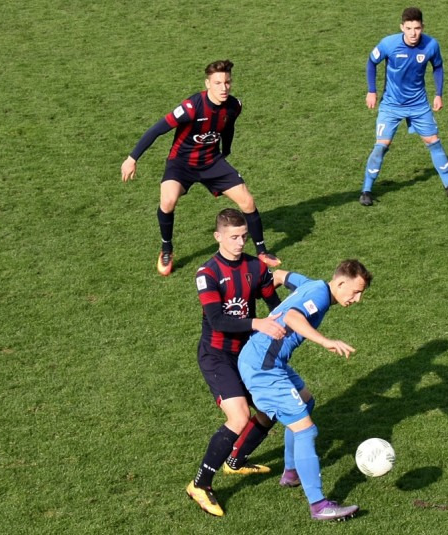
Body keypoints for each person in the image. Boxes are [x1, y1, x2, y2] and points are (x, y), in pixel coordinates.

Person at [238, 260, 373, 521]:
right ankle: (319, 505)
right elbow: (292, 316)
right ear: (340, 283)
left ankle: (291, 473)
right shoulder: (319, 296)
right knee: (306, 430)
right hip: (263, 367)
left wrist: (263, 288)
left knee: (305, 402)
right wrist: (325, 341)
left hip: (268, 360)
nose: (357, 299)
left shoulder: (313, 285)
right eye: (356, 292)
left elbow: (281, 275)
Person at [121, 59, 281, 276]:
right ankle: (166, 249)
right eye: (218, 83)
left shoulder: (234, 105)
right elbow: (157, 129)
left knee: (247, 201)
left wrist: (226, 151)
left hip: (211, 161)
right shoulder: (191, 107)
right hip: (181, 163)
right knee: (167, 201)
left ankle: (262, 251)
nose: (223, 88)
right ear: (207, 84)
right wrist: (132, 158)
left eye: (227, 82)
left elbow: (228, 127)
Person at [185, 208, 287, 518]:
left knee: (272, 406)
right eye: (234, 237)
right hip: (216, 356)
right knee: (240, 416)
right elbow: (217, 320)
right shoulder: (207, 273)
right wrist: (257, 323)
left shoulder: (255, 267)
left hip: (247, 354)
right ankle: (200, 484)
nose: (240, 242)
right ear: (218, 237)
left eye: (244, 236)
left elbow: (274, 304)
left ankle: (236, 460)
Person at [359, 7, 448, 206]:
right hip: (391, 105)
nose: (413, 33)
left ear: (422, 27)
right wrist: (371, 90)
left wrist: (438, 94)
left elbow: (438, 66)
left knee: (434, 141)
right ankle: (366, 190)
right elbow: (371, 62)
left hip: (419, 105)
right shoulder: (389, 44)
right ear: (402, 27)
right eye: (409, 28)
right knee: (381, 146)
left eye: (417, 28)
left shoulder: (431, 45)